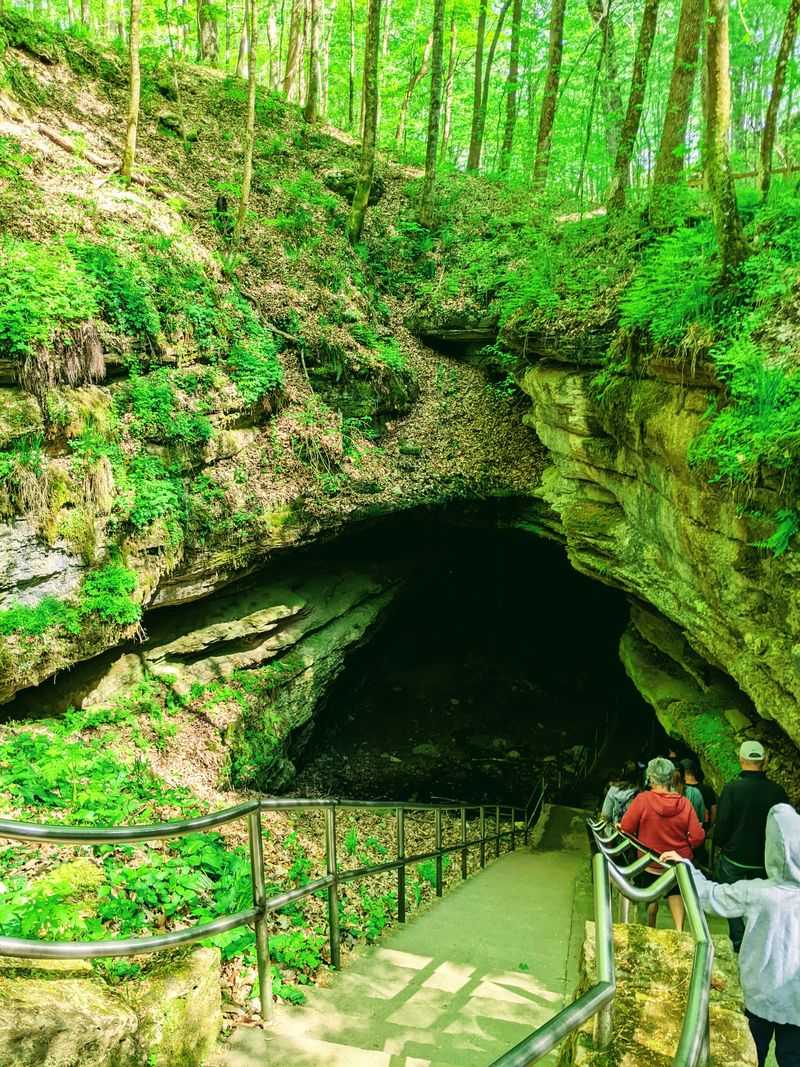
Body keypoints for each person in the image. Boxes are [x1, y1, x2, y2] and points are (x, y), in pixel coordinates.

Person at [660, 804, 800, 1067]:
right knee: (793, 1058)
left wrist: (687, 867)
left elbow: (710, 897)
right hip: (797, 1002)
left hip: (759, 996)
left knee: (750, 1054)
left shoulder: (758, 893)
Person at [715, 740, 789, 952]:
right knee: (762, 903)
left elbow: (722, 825)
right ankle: (760, 942)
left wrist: (722, 844)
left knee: (732, 900)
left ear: (740, 760)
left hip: (734, 858)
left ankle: (739, 944)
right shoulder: (777, 792)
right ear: (764, 761)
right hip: (764, 860)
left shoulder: (731, 789)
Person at [621, 757, 705, 932]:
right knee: (675, 893)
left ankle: (651, 926)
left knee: (652, 895)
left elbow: (627, 827)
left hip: (649, 861)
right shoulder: (684, 803)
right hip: (675, 864)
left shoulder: (643, 800)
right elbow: (697, 837)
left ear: (651, 778)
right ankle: (679, 930)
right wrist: (687, 846)